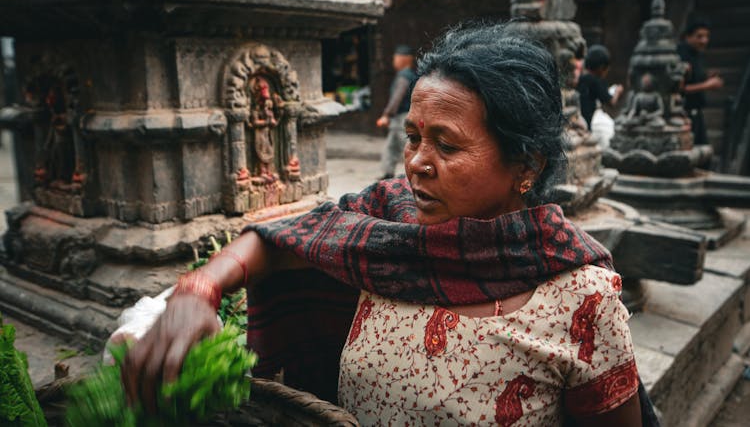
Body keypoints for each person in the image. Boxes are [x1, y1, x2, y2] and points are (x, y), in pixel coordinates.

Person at [122, 21, 656, 425]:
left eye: (446, 145)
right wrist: (197, 293)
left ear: (526, 166)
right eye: (414, 137)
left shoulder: (580, 297)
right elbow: (277, 239)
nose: (417, 161)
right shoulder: (392, 216)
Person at [677, 19, 725, 147]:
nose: (704, 40)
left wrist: (706, 77)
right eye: (699, 36)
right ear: (688, 36)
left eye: (706, 36)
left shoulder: (696, 55)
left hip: (696, 113)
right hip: (685, 114)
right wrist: (707, 85)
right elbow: (679, 88)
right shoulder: (682, 55)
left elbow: (694, 78)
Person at [375, 44, 417, 179]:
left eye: (396, 58)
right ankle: (387, 173)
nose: (394, 61)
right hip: (403, 117)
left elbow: (397, 96)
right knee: (392, 147)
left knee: (407, 146)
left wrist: (387, 115)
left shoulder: (404, 76)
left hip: (402, 118)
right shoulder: (410, 75)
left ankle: (414, 174)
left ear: (404, 59)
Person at [576, 44, 623, 131]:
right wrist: (617, 91)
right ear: (601, 68)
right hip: (590, 121)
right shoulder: (596, 80)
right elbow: (611, 102)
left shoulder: (581, 77)